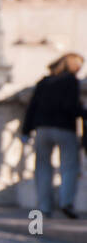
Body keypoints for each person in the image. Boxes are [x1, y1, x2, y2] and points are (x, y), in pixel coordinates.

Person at [22, 52, 85, 219]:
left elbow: (32, 107)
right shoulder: (71, 81)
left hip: (42, 129)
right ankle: (66, 202)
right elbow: (70, 106)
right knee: (69, 166)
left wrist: (25, 130)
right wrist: (83, 112)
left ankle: (44, 206)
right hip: (64, 128)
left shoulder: (44, 82)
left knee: (42, 167)